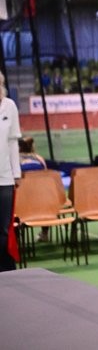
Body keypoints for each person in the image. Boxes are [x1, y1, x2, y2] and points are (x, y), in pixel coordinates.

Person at [0, 72, 22, 271]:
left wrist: (17, 174)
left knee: (4, 229)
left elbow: (13, 142)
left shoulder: (9, 106)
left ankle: (5, 271)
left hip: (6, 178)